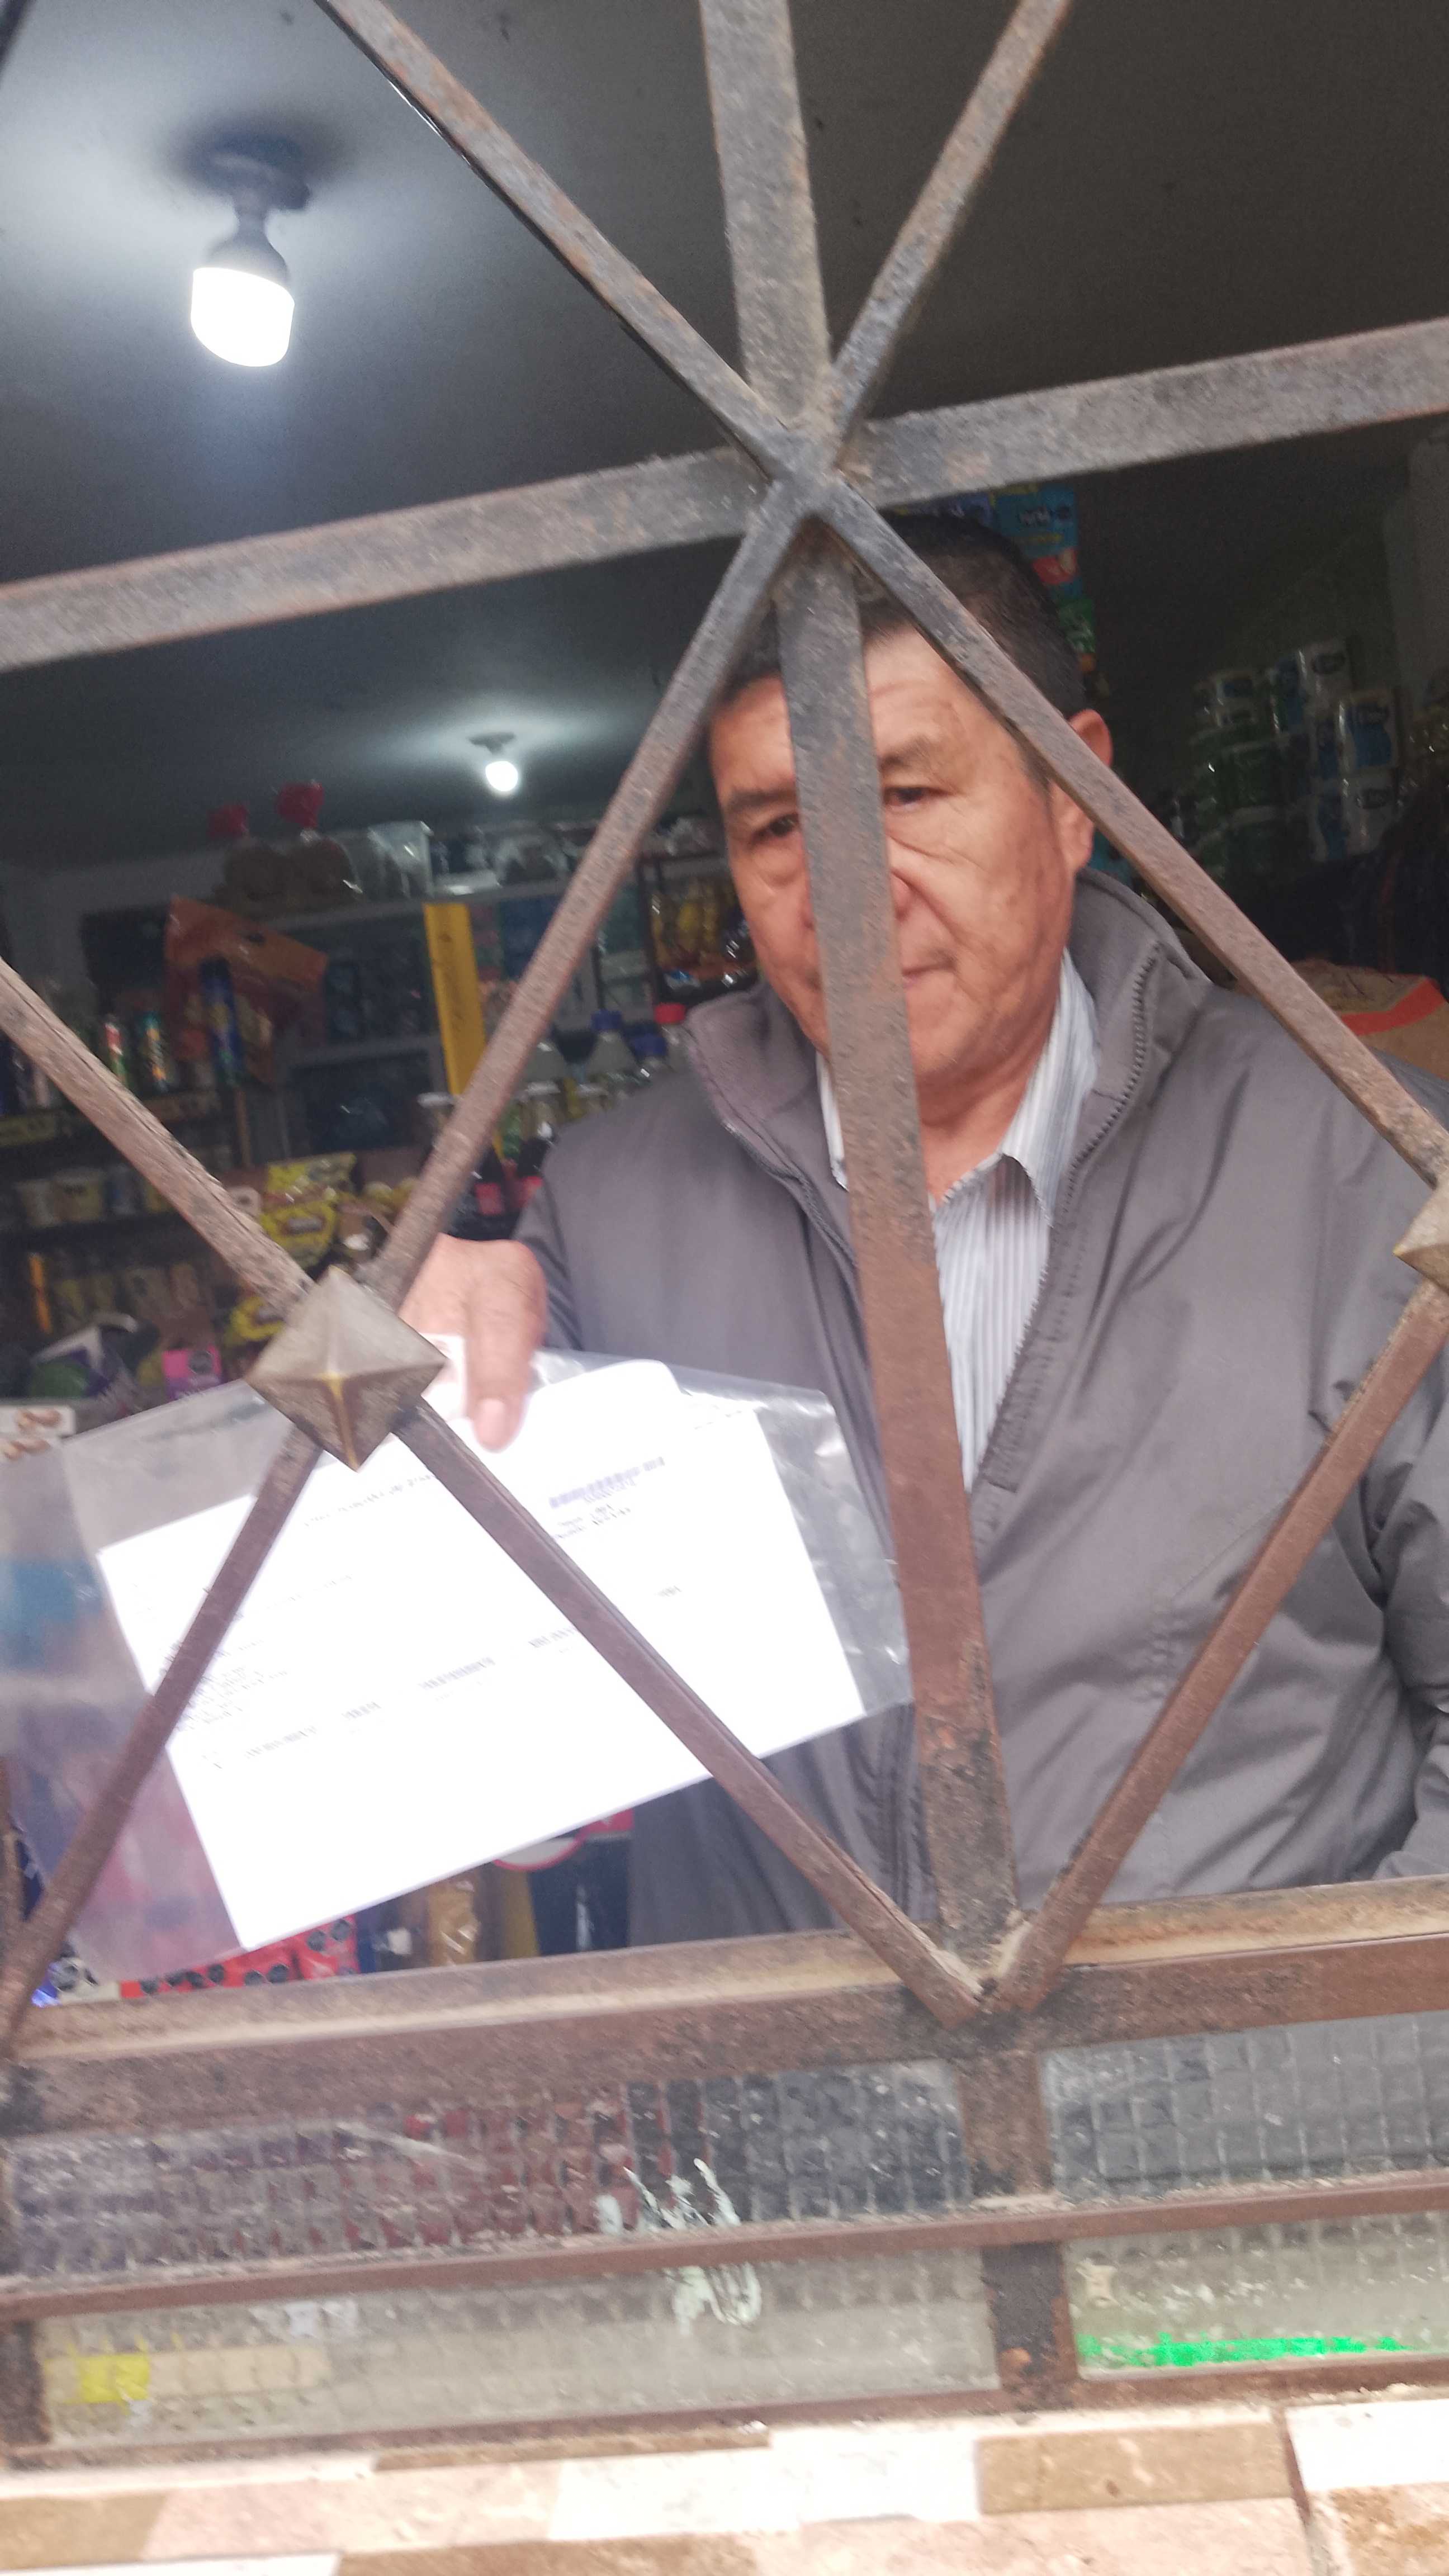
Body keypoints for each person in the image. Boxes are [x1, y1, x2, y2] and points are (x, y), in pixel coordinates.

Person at [404, 519, 1449, 1944]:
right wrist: (418, 1429)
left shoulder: (1374, 1171)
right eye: (779, 826)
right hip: (786, 2092)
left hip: (1246, 2088)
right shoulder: (606, 1211)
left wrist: (1320, 2061)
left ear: (1074, 792)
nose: (845, 888)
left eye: (905, 793)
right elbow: (492, 1763)